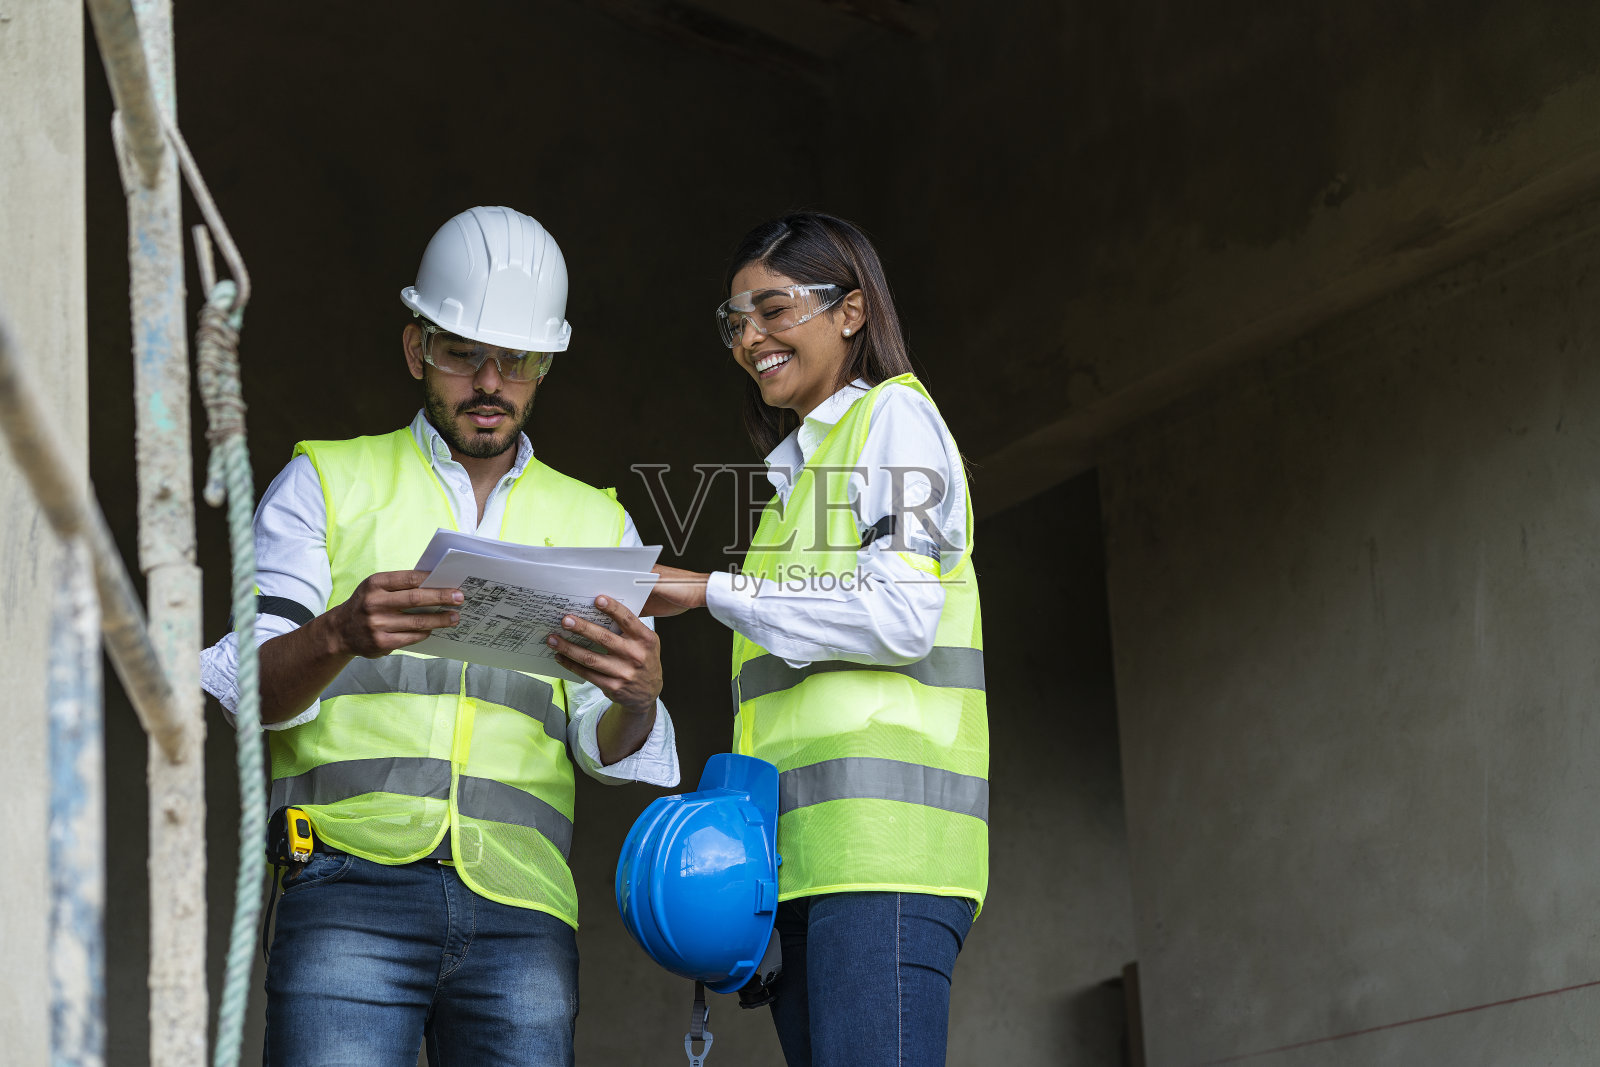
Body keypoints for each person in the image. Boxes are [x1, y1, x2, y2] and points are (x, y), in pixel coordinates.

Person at [199, 205, 678, 1067]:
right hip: (346, 882)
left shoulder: (596, 523)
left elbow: (604, 745)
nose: (490, 382)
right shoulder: (327, 483)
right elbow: (247, 695)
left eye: (517, 360)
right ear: (417, 348)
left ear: (545, 365)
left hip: (522, 905)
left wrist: (638, 701)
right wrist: (338, 631)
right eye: (463, 353)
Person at [646, 212, 987, 1066]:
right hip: (807, 869)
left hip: (885, 860)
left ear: (851, 310)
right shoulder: (790, 494)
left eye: (773, 310)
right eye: (735, 322)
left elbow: (900, 613)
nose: (749, 338)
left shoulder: (895, 419)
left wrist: (711, 589)